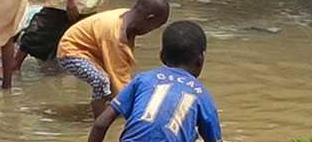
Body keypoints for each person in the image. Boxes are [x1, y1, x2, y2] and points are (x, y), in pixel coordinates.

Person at [88, 21, 223, 142]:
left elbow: (100, 124)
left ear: (162, 56)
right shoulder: (202, 95)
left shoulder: (144, 79)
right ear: (200, 59)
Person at [57, 0, 170, 120]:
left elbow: (122, 70)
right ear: (149, 19)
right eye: (154, 27)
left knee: (112, 83)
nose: (150, 31)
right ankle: (100, 120)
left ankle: (107, 110)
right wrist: (137, 114)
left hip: (92, 50)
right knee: (101, 81)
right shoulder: (116, 35)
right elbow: (119, 79)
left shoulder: (129, 19)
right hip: (71, 52)